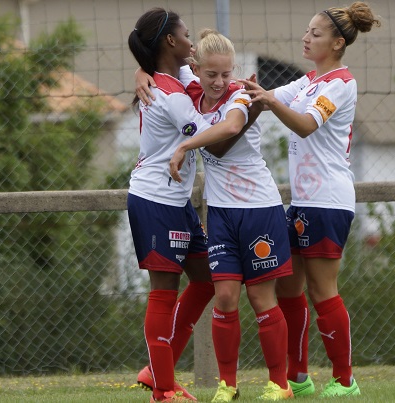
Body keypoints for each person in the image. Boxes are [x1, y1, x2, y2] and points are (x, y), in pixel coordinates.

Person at [238, 2, 381, 398]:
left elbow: (303, 123)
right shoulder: (307, 81)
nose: (306, 37)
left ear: (337, 43)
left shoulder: (340, 83)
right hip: (303, 201)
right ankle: (299, 378)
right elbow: (265, 95)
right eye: (307, 31)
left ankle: (344, 380)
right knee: (289, 288)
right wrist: (225, 84)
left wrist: (268, 101)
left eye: (315, 34)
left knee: (323, 291)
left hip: (328, 200)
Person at [126, 8, 261, 403]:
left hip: (176, 201)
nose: (192, 41)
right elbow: (217, 142)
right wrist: (248, 112)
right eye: (186, 35)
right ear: (171, 41)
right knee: (163, 291)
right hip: (155, 200)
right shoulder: (170, 96)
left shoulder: (175, 76)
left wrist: (140, 69)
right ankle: (163, 390)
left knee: (204, 281)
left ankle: (157, 370)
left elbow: (203, 79)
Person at [166, 29, 294, 402]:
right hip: (220, 214)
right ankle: (227, 385)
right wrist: (141, 74)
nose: (220, 82)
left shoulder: (239, 95)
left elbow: (233, 126)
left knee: (260, 299)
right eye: (211, 75)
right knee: (223, 297)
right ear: (197, 70)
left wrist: (186, 143)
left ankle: (279, 384)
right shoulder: (192, 91)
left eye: (226, 73)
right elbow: (165, 68)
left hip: (259, 209)